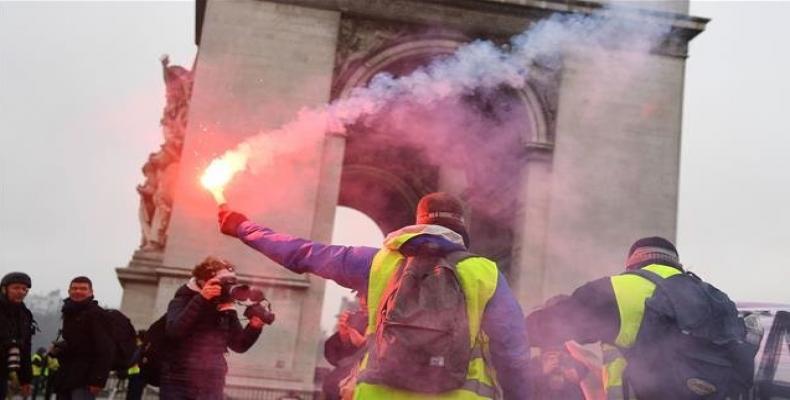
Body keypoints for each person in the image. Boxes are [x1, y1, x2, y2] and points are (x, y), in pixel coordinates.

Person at [218, 191, 531, 399]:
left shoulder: (376, 262)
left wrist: (243, 227)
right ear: (461, 229)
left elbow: (302, 253)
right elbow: (513, 355)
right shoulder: (485, 273)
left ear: (419, 223)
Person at [526, 237, 756, 399]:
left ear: (632, 263)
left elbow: (551, 324)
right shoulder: (714, 298)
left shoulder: (617, 291)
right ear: (676, 263)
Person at [160, 256, 265, 400]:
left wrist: (254, 327)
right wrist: (201, 299)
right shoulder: (183, 299)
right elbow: (174, 331)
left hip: (212, 379)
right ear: (203, 281)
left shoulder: (225, 304)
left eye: (231, 283)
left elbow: (238, 345)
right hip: (179, 378)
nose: (227, 288)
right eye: (223, 282)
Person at [52, 276, 115, 400]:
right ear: (69, 291)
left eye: (83, 289)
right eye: (74, 288)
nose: (78, 291)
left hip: (86, 378)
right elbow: (77, 343)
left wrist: (98, 380)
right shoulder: (69, 313)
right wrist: (61, 348)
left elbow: (106, 349)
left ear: (91, 292)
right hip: (67, 375)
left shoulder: (97, 314)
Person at [322, 292, 368, 400]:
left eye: (366, 296)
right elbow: (335, 359)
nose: (362, 302)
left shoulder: (393, 322)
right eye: (360, 296)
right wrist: (344, 338)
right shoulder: (360, 320)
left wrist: (364, 344)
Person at [1, 272, 34, 399]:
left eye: (24, 289)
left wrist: (26, 379)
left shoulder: (25, 315)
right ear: (4, 289)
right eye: (16, 288)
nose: (20, 292)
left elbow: (25, 348)